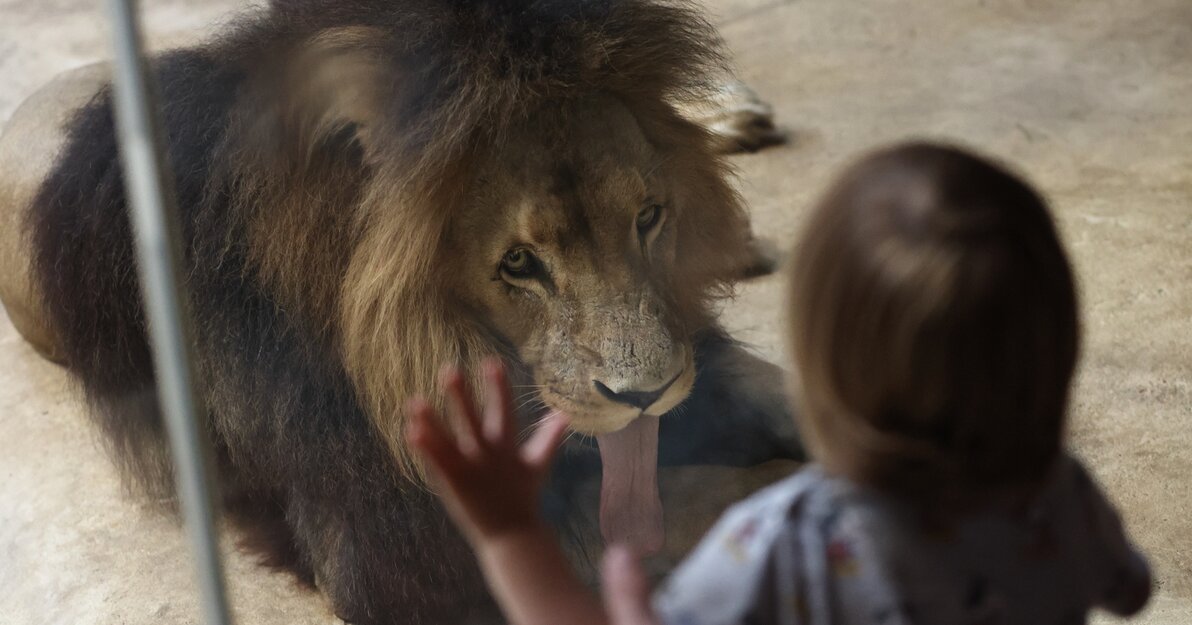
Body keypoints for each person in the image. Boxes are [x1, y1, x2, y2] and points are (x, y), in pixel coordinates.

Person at [406, 142, 1152, 625]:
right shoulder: (1060, 497)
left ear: (823, 370)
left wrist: (512, 538)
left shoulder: (784, 538)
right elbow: (1129, 587)